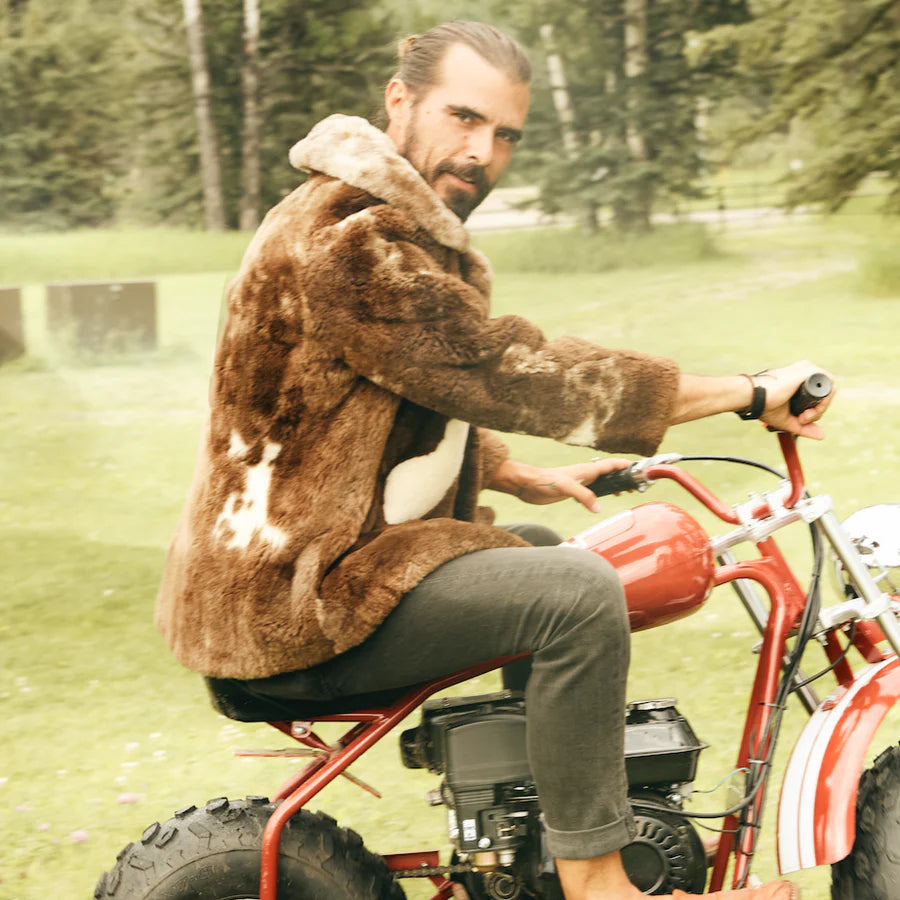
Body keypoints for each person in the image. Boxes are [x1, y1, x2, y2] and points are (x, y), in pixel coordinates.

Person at [155, 20, 832, 900]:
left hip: (300, 570)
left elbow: (365, 396)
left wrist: (511, 471)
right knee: (577, 593)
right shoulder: (350, 236)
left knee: (543, 553)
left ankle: (529, 846)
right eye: (463, 117)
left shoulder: (380, 222)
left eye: (505, 133)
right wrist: (745, 391)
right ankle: (598, 882)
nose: (482, 152)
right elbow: (497, 369)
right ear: (399, 100)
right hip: (293, 603)